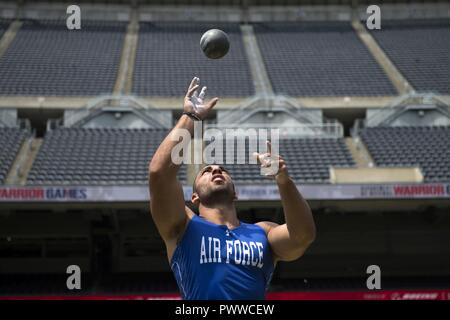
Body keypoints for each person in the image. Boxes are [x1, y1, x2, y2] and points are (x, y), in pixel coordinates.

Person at [148, 77, 316, 300]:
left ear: (235, 193)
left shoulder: (263, 232)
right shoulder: (182, 226)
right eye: (207, 170)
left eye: (222, 169)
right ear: (194, 196)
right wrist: (191, 117)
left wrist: (284, 181)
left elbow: (302, 237)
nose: (216, 170)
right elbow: (159, 173)